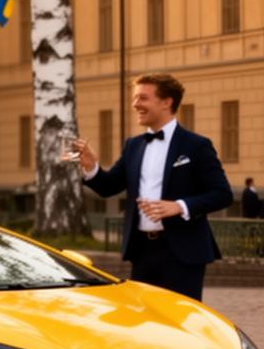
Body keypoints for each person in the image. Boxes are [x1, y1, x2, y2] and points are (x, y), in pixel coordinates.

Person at [68, 73, 233, 301]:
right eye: (135, 98)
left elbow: (222, 194)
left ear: (166, 102)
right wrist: (91, 167)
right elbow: (108, 187)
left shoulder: (196, 145)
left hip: (183, 252)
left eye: (143, 98)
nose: (135, 104)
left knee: (180, 318)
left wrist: (179, 206)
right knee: (145, 317)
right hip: (141, 251)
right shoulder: (133, 146)